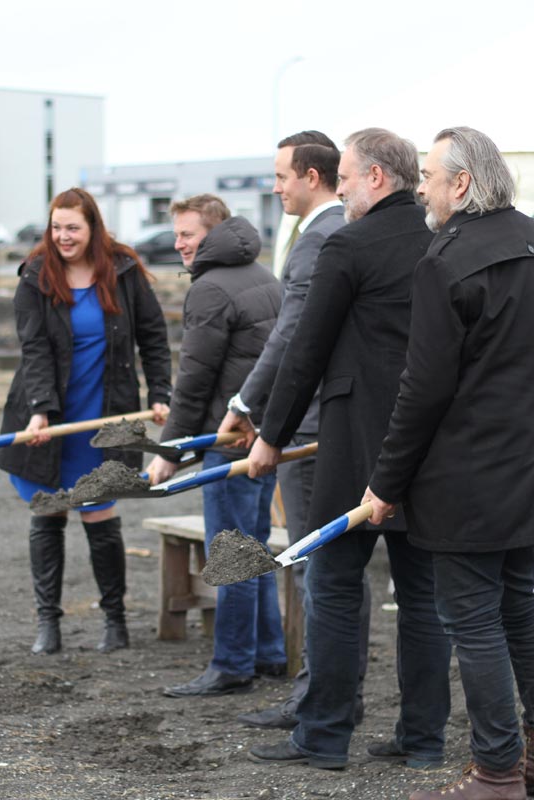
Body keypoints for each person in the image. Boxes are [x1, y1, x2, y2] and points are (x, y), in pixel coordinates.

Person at [245, 128, 452, 771]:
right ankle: (423, 742)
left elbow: (305, 350)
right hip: (427, 445)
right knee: (422, 597)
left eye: (347, 177)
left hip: (353, 442)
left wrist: (270, 437)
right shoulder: (440, 243)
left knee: (333, 585)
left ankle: (324, 736)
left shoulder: (346, 245)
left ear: (377, 179)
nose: (339, 188)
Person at [363, 127, 534, 800]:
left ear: (462, 184)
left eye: (430, 176)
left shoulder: (446, 261)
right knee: (522, 611)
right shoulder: (531, 239)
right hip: (526, 470)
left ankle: (496, 771)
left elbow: (423, 387)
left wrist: (385, 480)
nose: (423, 188)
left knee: (474, 619)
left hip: (466, 477)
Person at [218, 130, 368, 729]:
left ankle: (323, 699)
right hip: (343, 420)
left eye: (281, 175)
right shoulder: (343, 232)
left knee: (316, 565)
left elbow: (293, 338)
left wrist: (247, 406)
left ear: (312, 176)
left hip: (312, 427)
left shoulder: (319, 240)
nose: (274, 186)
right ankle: (336, 694)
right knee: (332, 567)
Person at [0, 188, 172, 656]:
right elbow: (34, 350)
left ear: (93, 226)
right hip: (49, 418)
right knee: (49, 512)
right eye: (56, 227)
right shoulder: (35, 276)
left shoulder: (124, 270)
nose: (63, 236)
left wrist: (160, 394)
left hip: (105, 414)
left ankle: (114, 622)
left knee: (99, 514)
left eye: (73, 227)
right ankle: (47, 624)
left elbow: (153, 337)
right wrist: (41, 411)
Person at [145, 193, 285, 697]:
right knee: (254, 547)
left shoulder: (210, 289)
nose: (179, 244)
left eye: (188, 235)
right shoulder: (263, 275)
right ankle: (269, 652)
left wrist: (169, 453)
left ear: (214, 232)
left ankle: (231, 664)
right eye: (177, 234)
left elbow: (194, 381)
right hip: (264, 436)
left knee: (231, 555)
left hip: (228, 441)